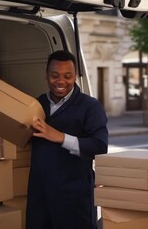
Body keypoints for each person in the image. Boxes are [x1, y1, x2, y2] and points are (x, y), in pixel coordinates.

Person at [26, 50, 108, 229]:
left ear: (75, 77)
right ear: (46, 75)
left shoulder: (90, 106)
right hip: (39, 195)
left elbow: (100, 146)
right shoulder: (37, 104)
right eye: (54, 75)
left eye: (67, 76)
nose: (61, 81)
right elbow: (22, 136)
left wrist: (61, 137)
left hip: (73, 198)